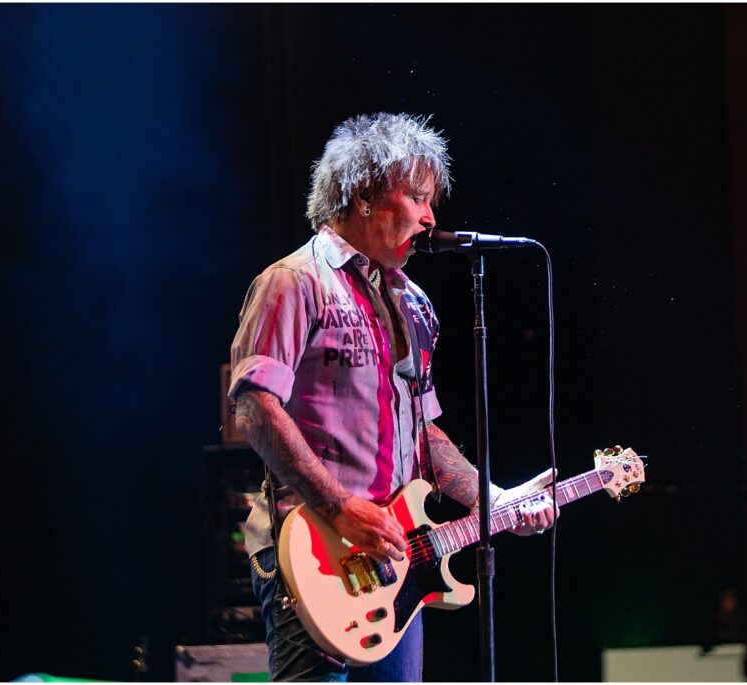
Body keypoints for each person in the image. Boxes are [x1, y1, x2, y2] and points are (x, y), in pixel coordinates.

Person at [228, 112, 556, 682]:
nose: (431, 218)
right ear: (363, 193)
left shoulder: (415, 303)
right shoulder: (293, 282)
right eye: (417, 197)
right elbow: (255, 409)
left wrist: (491, 498)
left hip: (393, 559)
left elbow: (424, 433)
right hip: (313, 551)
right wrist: (339, 507)